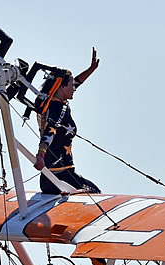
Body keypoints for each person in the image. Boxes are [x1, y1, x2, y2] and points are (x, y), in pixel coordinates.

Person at [33, 47, 101, 195]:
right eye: (71, 85)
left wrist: (91, 69)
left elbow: (77, 82)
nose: (74, 88)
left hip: (57, 176)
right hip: (59, 178)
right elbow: (49, 133)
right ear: (62, 87)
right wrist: (40, 155)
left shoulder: (55, 104)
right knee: (95, 193)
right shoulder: (57, 109)